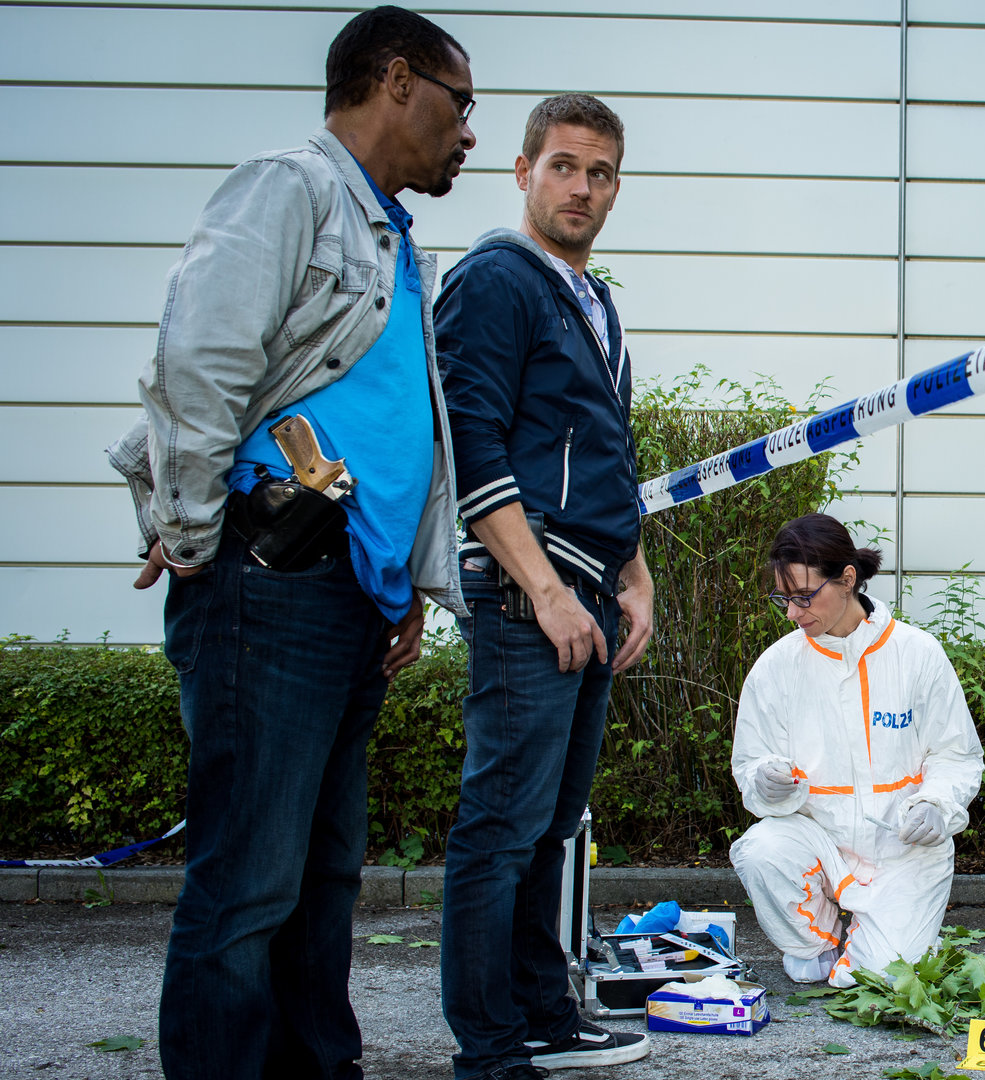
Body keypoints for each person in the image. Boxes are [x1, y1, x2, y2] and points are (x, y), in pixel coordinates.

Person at [102, 7, 475, 1077]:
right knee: (252, 881)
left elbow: (399, 422)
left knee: (323, 880)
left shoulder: (397, 238)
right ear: (397, 79)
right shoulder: (291, 188)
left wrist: (403, 579)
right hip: (269, 584)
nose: (467, 133)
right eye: (461, 102)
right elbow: (198, 362)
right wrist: (192, 534)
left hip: (348, 596)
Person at [433, 93, 655, 1078]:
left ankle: (542, 1015)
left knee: (553, 824)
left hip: (593, 592)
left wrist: (634, 573)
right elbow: (470, 442)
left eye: (599, 172)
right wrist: (547, 590)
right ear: (522, 172)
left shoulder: (593, 299)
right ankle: (488, 1049)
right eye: (563, 165)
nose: (581, 187)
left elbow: (610, 453)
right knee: (499, 825)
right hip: (531, 596)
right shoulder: (495, 280)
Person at [730, 513, 984, 988]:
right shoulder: (777, 668)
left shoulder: (917, 654)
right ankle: (819, 940)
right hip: (819, 844)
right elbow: (750, 762)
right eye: (783, 598)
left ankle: (872, 938)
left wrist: (937, 803)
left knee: (878, 980)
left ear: (847, 579)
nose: (792, 613)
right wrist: (762, 777)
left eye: (804, 596)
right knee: (762, 850)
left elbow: (957, 755)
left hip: (901, 849)